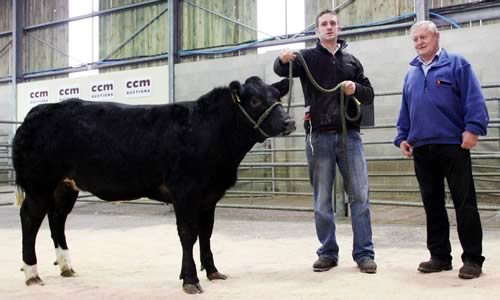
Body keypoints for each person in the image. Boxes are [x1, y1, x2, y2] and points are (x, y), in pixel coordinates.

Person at [274, 9, 376, 274]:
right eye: (324, 24)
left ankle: (364, 254)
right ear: (317, 30)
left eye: (333, 23)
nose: (329, 27)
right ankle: (328, 252)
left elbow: (369, 94)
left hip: (349, 136)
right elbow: (282, 68)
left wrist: (356, 88)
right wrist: (281, 57)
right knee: (322, 199)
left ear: (339, 28)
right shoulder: (307, 58)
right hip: (318, 136)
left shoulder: (351, 61)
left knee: (360, 196)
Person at [394, 20, 489, 279]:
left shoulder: (457, 64)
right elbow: (406, 109)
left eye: (424, 37)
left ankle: (472, 259)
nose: (419, 42)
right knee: (432, 204)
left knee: (464, 202)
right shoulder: (411, 74)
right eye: (415, 39)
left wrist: (473, 129)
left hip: (453, 145)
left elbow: (474, 98)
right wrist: (402, 136)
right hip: (422, 147)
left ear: (437, 38)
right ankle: (439, 257)